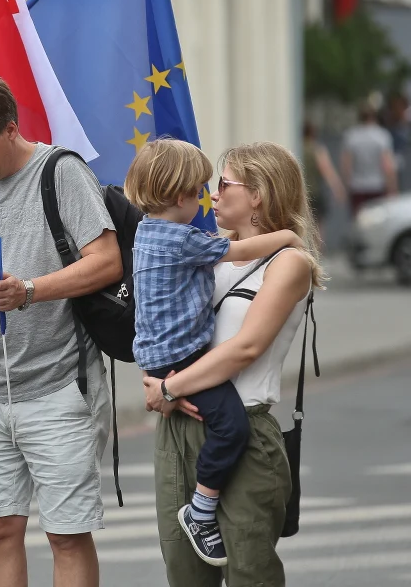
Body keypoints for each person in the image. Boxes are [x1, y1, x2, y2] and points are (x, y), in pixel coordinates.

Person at [0, 74, 122, 587]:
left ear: (10, 130)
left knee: (66, 533)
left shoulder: (61, 172)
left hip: (60, 386)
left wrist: (31, 289)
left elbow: (105, 262)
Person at [140, 142, 324, 587]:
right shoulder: (204, 250)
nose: (212, 195)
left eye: (223, 184)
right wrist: (157, 379)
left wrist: (170, 387)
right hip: (180, 427)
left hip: (242, 428)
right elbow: (159, 315)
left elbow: (246, 348)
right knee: (186, 577)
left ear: (258, 193)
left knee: (250, 575)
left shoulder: (288, 261)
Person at [341, 103, 398, 213]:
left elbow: (346, 165)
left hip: (357, 187)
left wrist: (346, 185)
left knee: (359, 222)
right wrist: (393, 188)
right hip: (377, 186)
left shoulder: (351, 136)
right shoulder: (382, 136)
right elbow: (387, 165)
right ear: (375, 116)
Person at [302, 121, 345, 239]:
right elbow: (327, 170)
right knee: (317, 226)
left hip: (300, 192)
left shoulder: (298, 146)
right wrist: (338, 188)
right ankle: (316, 255)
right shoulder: (317, 149)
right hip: (314, 192)